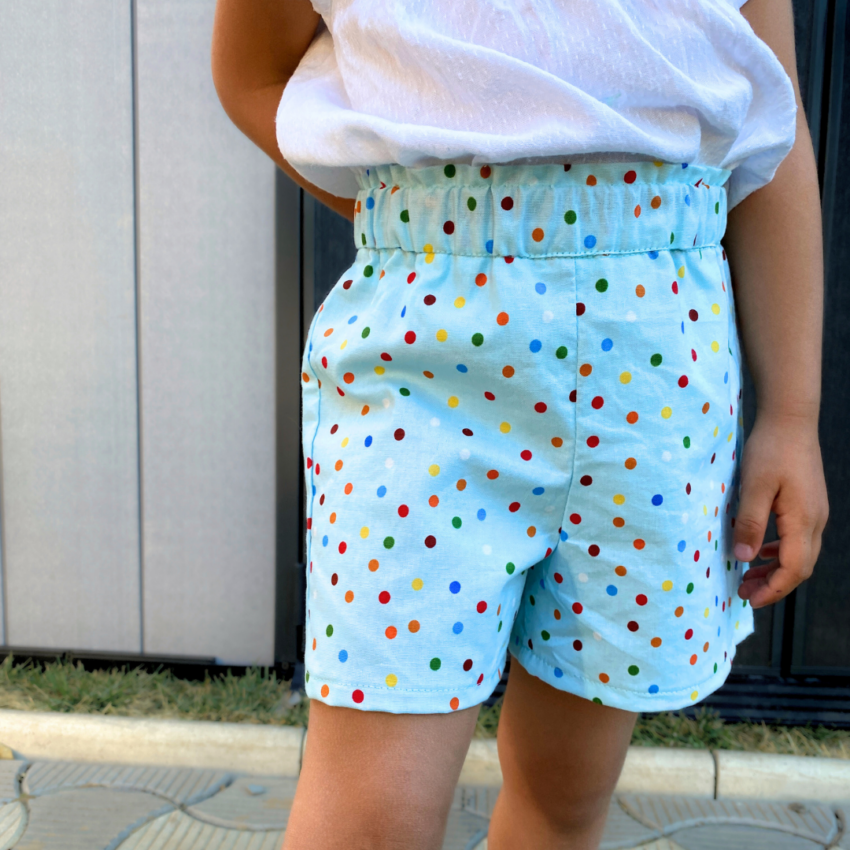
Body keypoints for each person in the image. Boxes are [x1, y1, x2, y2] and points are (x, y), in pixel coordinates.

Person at [211, 2, 830, 848]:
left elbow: (774, 117)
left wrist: (792, 415)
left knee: (567, 793)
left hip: (657, 395)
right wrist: (425, 222)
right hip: (422, 371)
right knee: (368, 819)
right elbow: (252, 72)